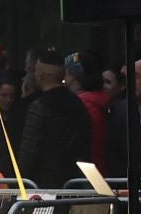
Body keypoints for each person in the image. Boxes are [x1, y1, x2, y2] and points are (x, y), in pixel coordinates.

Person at [18, 56, 93, 188]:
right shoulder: (78, 103)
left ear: (40, 75)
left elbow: (28, 151)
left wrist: (20, 181)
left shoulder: (39, 106)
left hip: (43, 185)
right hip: (74, 182)